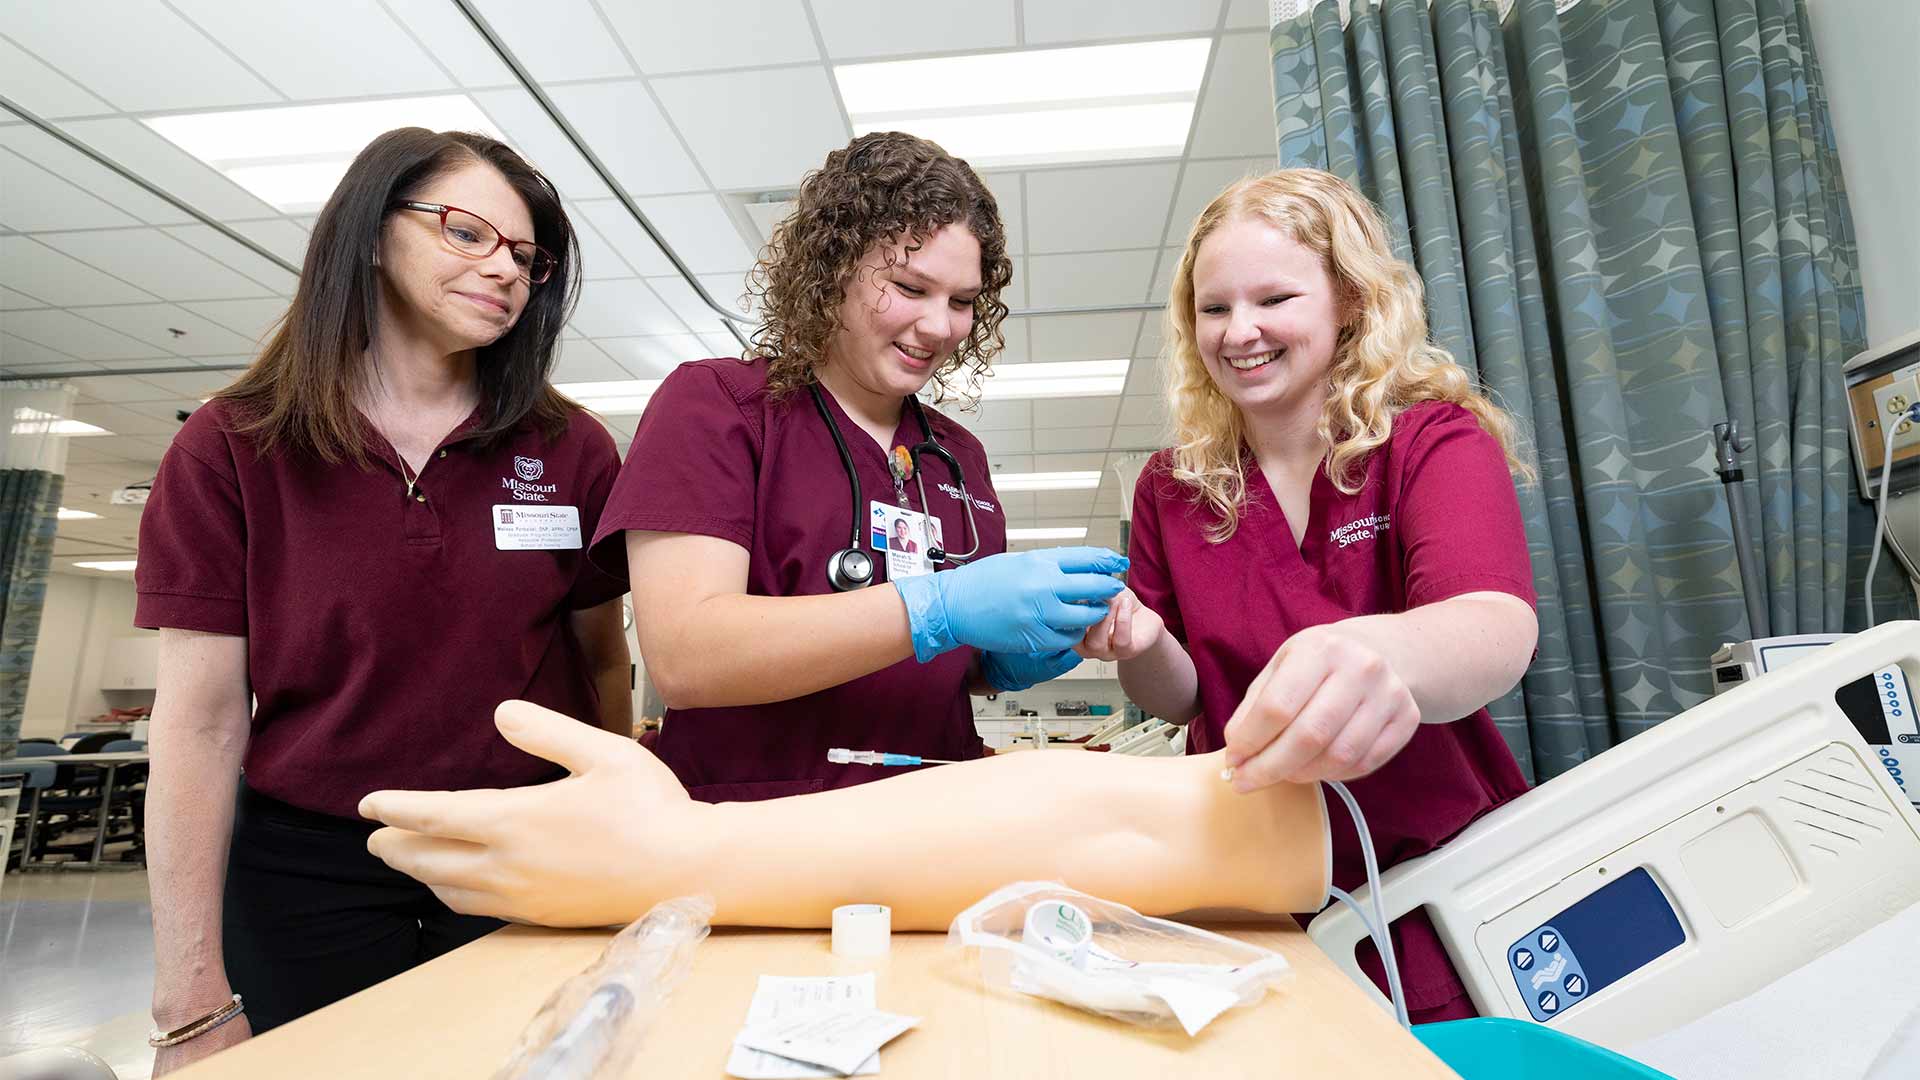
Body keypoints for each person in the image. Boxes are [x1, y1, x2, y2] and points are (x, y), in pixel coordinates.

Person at [136, 128, 630, 1071]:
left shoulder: (571, 448)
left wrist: (618, 830)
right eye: (468, 233)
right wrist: (189, 997)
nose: (506, 270)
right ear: (370, 234)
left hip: (529, 851)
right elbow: (198, 726)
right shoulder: (233, 445)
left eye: (527, 257)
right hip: (309, 872)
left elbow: (603, 658)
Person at [1076, 169, 1538, 1023]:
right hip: (1252, 887)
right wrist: (1141, 643)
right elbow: (1183, 699)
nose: (1239, 332)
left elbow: (1494, 624)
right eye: (1214, 309)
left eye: (1275, 299)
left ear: (1350, 301)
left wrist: (1372, 652)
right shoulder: (1173, 488)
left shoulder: (1428, 440)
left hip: (1426, 879)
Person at [588, 131, 1126, 802]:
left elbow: (935, 666)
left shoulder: (957, 458)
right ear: (834, 268)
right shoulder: (719, 408)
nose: (939, 327)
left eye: (962, 302)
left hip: (936, 813)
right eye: (910, 287)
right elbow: (686, 657)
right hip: (759, 824)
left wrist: (1013, 654)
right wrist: (938, 606)